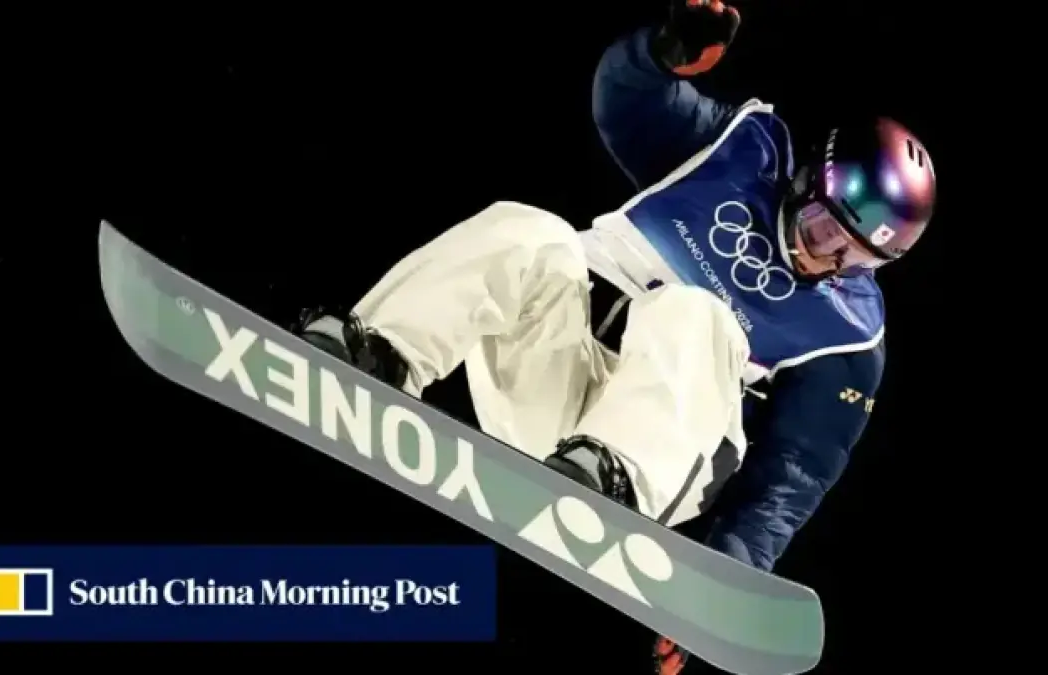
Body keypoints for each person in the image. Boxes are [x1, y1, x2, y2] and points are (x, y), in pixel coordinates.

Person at [296, 1, 936, 672]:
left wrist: (722, 581)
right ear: (808, 178)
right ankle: (377, 354)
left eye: (855, 257)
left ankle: (610, 477)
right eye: (823, 227)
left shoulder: (851, 334)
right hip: (552, 373)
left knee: (696, 313)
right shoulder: (737, 148)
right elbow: (628, 104)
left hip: (660, 447)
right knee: (531, 230)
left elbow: (793, 474)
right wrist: (659, 53)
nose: (825, 258)